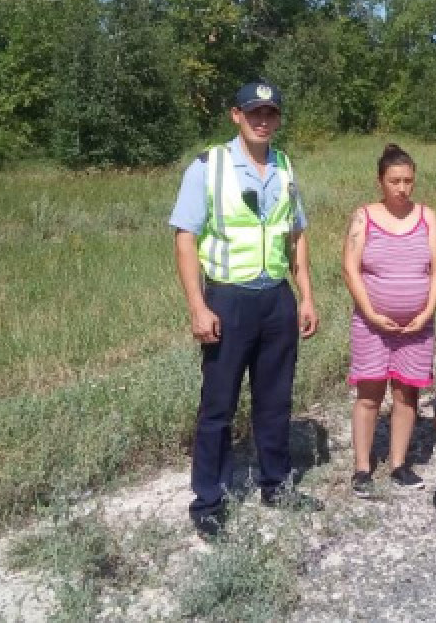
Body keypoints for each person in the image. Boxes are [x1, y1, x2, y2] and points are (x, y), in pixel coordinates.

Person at [169, 80, 320, 538]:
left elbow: (296, 234)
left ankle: (275, 484)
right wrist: (198, 305)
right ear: (236, 115)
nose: (262, 120)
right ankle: (209, 500)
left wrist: (307, 294)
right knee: (218, 404)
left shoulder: (284, 165)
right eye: (253, 112)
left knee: (276, 399)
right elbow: (185, 238)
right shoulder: (207, 167)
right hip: (228, 299)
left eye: (270, 113)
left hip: (275, 298)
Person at [342, 144, 436, 498]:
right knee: (369, 394)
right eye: (394, 181)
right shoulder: (363, 216)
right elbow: (350, 268)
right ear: (380, 181)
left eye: (408, 181)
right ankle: (361, 468)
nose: (402, 188)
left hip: (416, 326)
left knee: (407, 394)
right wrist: (370, 312)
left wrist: (426, 312)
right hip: (372, 324)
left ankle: (399, 464)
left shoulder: (427, 216)